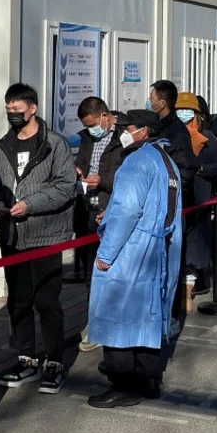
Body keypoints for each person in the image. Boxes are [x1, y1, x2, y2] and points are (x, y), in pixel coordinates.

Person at [86, 110, 182, 408]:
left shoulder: (135, 162)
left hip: (129, 250)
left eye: (128, 127)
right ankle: (148, 379)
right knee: (146, 318)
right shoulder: (165, 160)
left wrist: (106, 254)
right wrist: (111, 212)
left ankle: (122, 384)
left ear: (143, 131)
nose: (123, 130)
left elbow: (129, 210)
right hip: (155, 250)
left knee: (117, 317)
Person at [0, 83, 76, 394]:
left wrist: (31, 204)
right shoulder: (3, 146)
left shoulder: (54, 144)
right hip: (13, 235)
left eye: (17, 110)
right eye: (8, 110)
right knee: (18, 300)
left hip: (46, 233)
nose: (12, 115)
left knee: (47, 301)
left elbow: (65, 187)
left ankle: (54, 362)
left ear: (33, 109)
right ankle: (26, 358)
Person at [74, 98, 125, 352]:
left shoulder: (125, 135)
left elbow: (127, 172)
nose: (91, 130)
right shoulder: (86, 138)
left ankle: (109, 323)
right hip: (87, 207)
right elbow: (83, 159)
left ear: (105, 116)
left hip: (110, 208)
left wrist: (102, 180)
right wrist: (79, 169)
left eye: (93, 125)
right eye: (86, 126)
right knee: (89, 270)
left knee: (109, 269)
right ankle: (94, 321)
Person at [176, 92, 217, 306]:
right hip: (176, 199)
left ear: (197, 113)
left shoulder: (206, 137)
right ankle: (180, 290)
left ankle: (190, 291)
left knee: (196, 244)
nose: (183, 114)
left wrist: (201, 168)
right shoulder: (170, 136)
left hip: (200, 199)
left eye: (187, 110)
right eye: (178, 110)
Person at [148, 81, 199, 203]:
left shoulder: (177, 132)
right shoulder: (155, 125)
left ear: (162, 103)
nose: (149, 101)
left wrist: (175, 199)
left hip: (169, 198)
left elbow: (184, 169)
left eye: (152, 97)